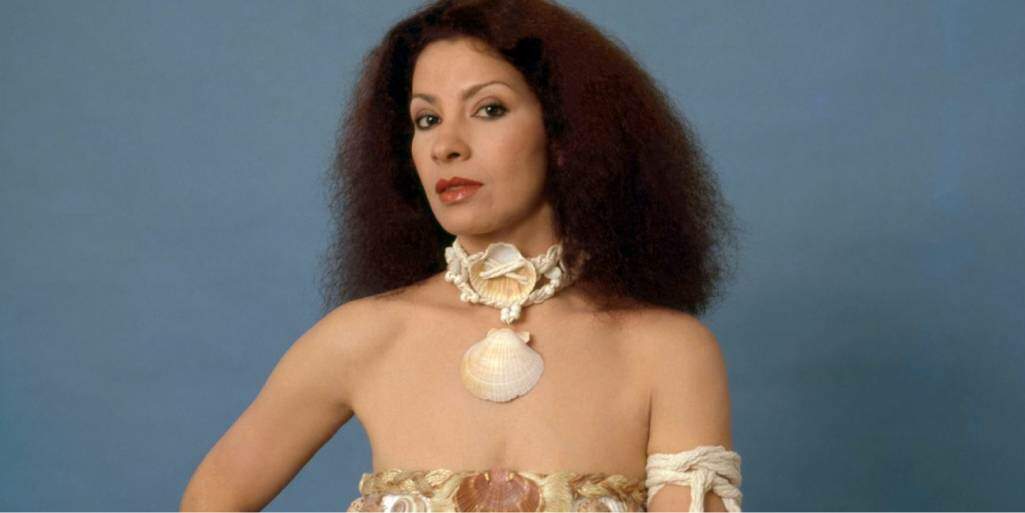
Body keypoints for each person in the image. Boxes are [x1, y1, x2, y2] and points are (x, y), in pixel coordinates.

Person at [180, 0, 743, 511]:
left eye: (489, 109)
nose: (446, 145)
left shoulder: (668, 352)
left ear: (566, 136)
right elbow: (211, 499)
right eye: (426, 119)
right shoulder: (362, 336)